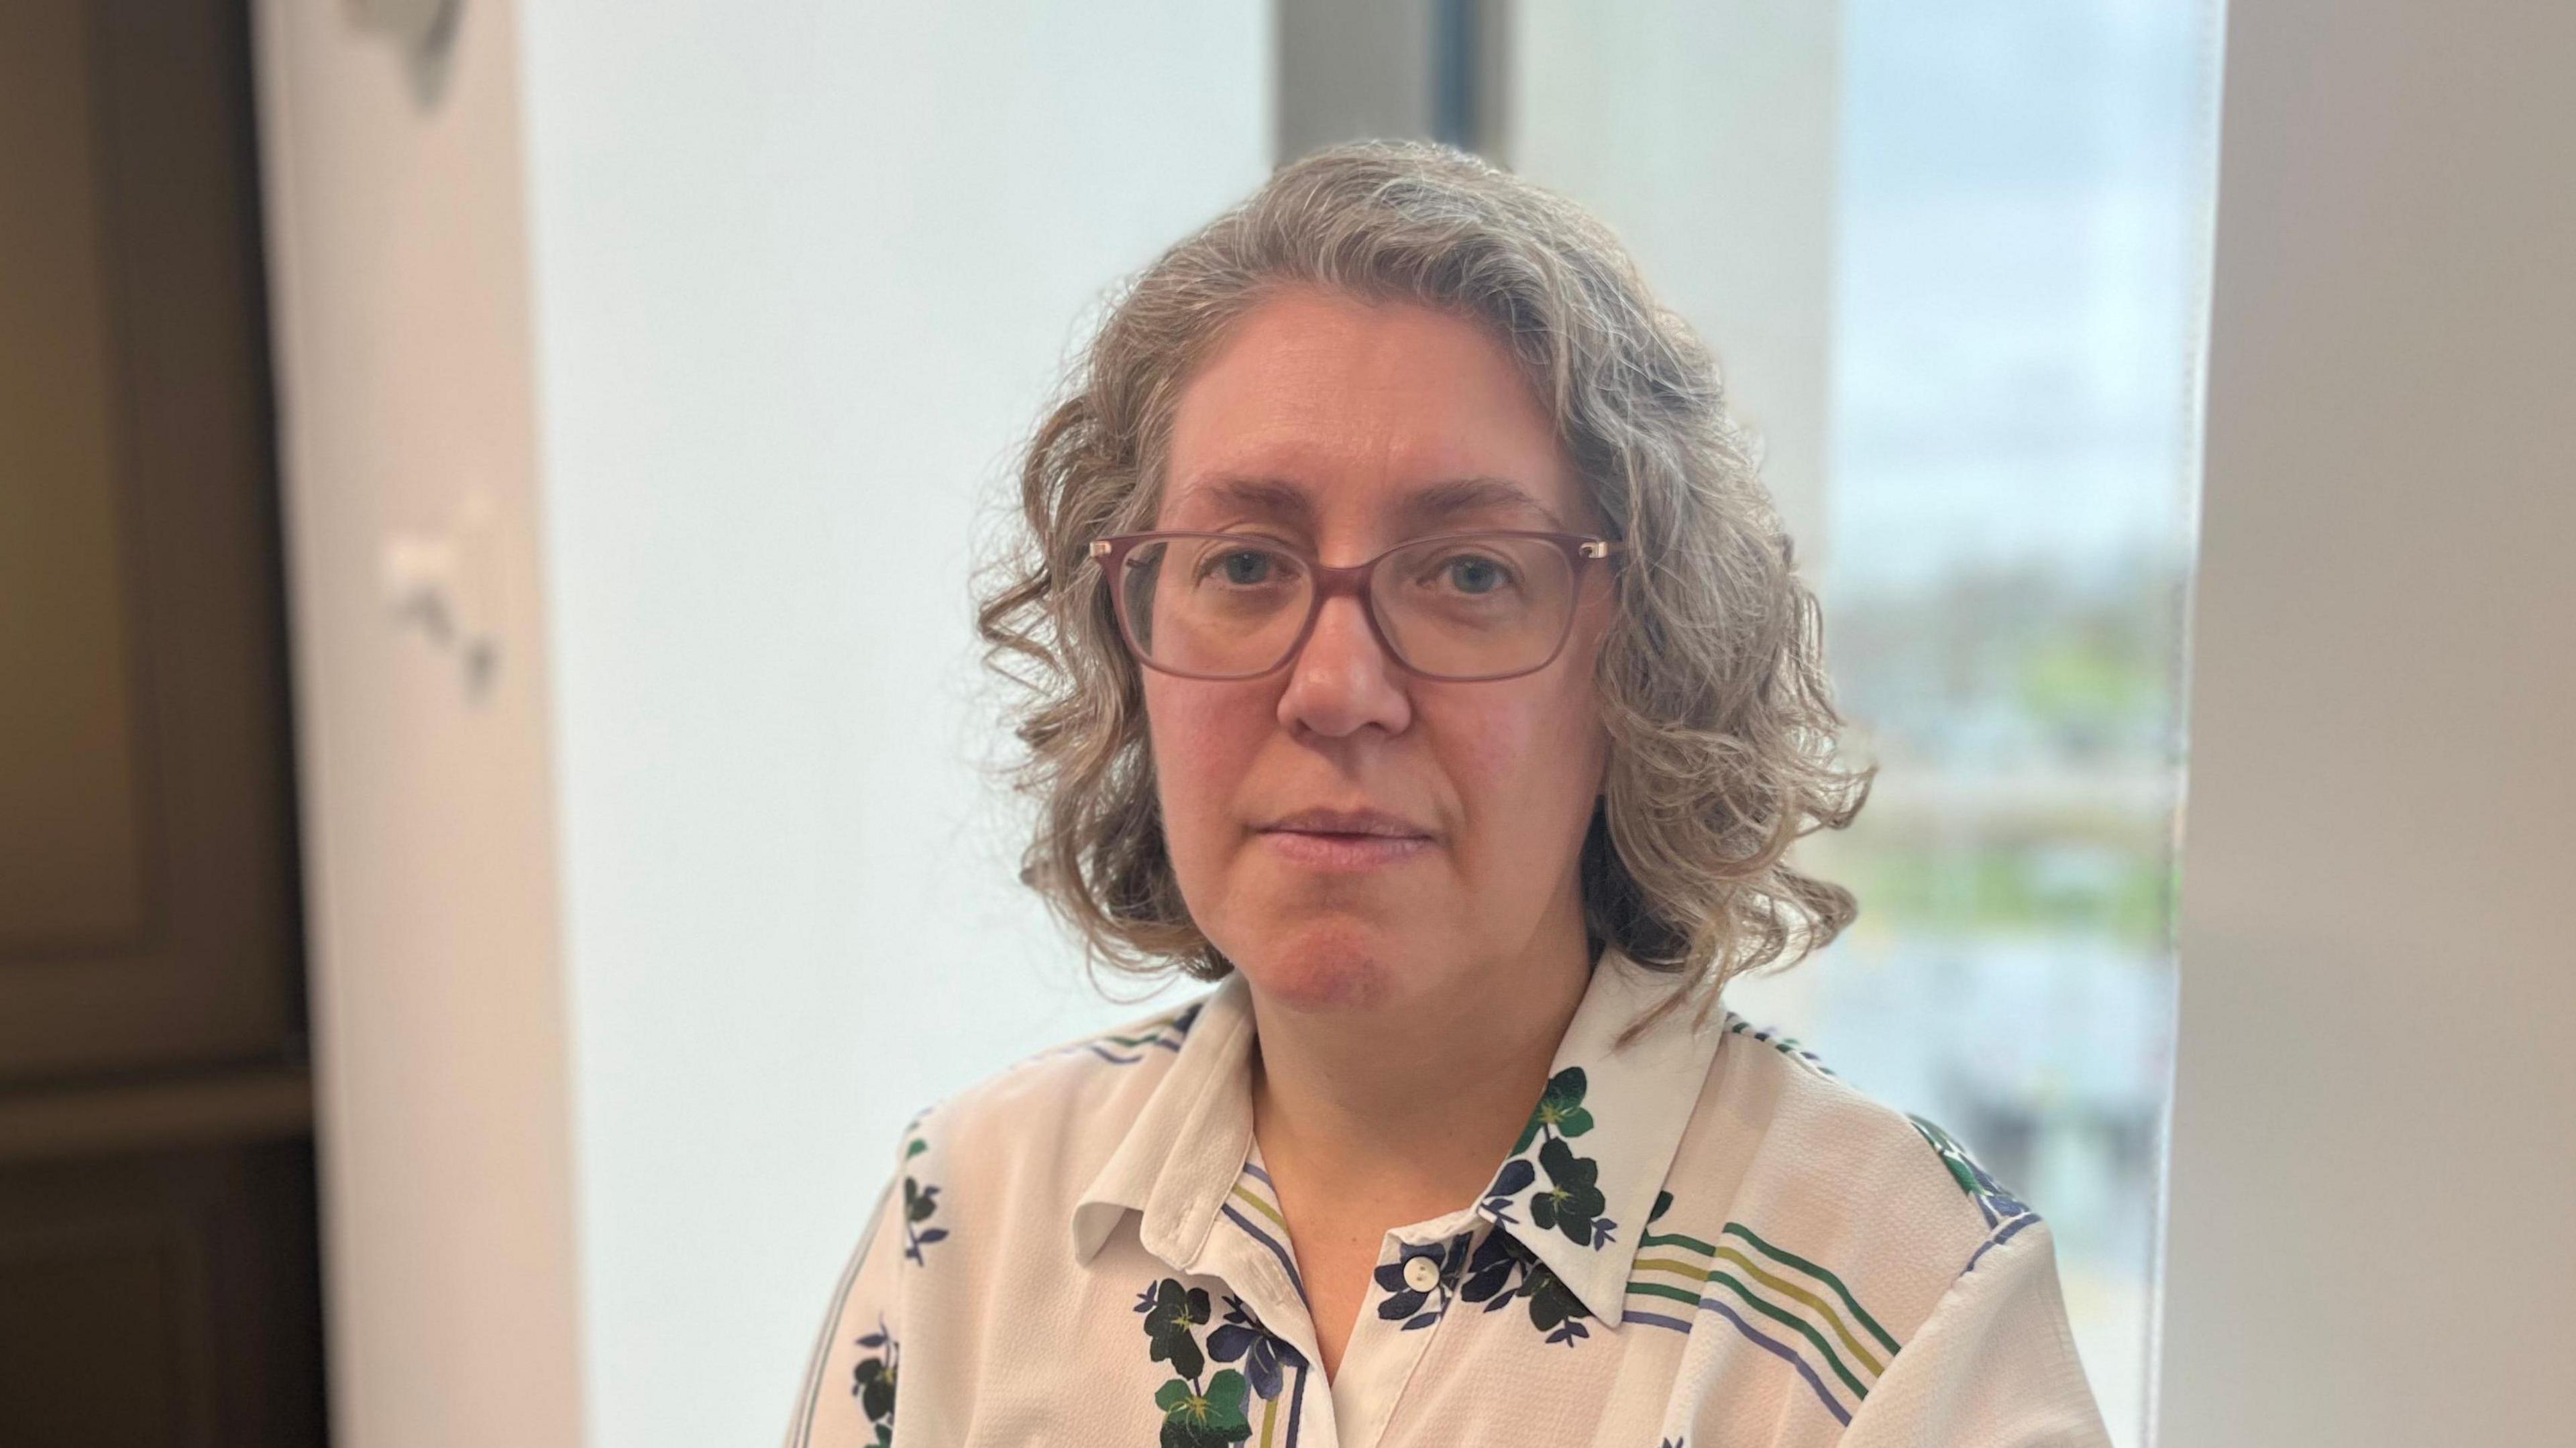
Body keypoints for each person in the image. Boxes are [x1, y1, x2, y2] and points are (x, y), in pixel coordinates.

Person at [786, 141, 2108, 1447]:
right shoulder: (971, 1219)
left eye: (1472, 574)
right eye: (1243, 565)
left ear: (1641, 667)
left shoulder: (1899, 1311)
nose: (1334, 687)